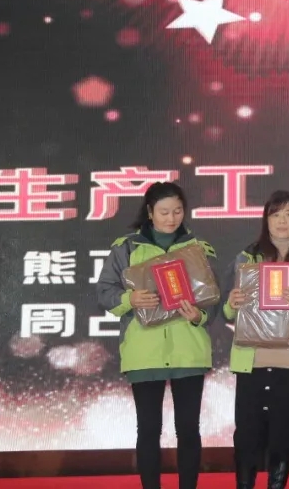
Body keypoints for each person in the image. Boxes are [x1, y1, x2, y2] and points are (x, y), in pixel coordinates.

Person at [95, 181, 218, 489]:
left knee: (188, 429)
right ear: (149, 212)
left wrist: (199, 316)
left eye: (177, 211)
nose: (171, 218)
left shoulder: (197, 248)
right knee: (149, 430)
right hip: (144, 352)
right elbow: (104, 292)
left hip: (188, 351)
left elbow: (212, 299)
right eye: (164, 212)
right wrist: (130, 299)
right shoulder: (127, 247)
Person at [224, 190, 289, 489]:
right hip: (252, 360)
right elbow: (226, 310)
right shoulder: (246, 257)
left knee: (284, 435)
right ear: (266, 220)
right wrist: (232, 302)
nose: (282, 221)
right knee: (247, 435)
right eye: (275, 214)